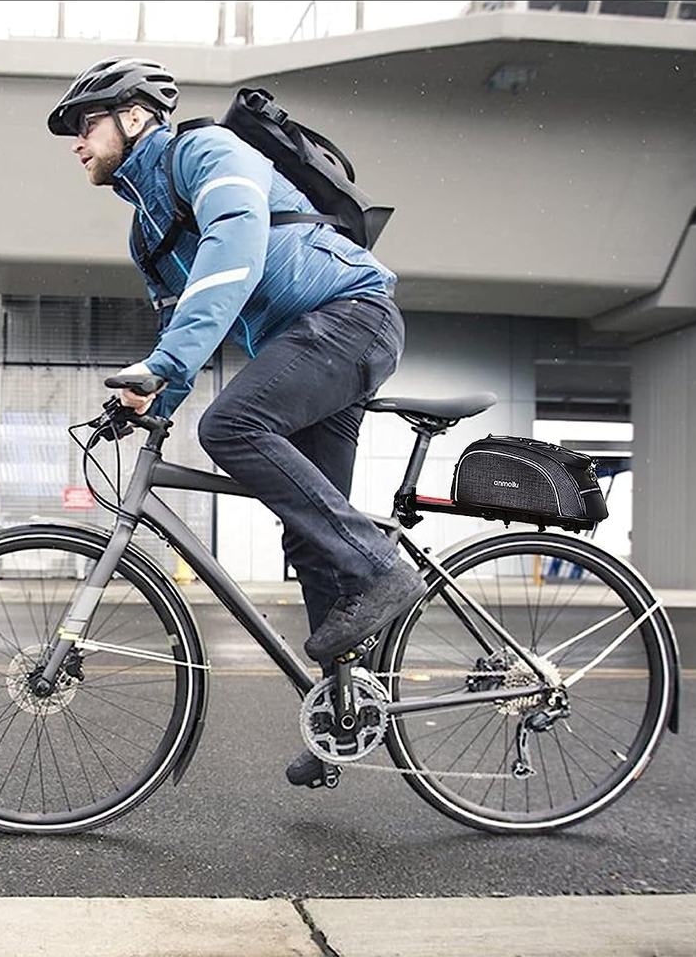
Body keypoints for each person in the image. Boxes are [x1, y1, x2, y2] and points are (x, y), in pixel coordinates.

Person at [48, 58, 426, 787]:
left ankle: (385, 569)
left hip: (351, 317)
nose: (76, 143)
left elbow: (235, 248)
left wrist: (165, 364)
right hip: (306, 342)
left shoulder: (207, 151)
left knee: (230, 428)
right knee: (313, 540)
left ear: (135, 116)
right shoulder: (147, 232)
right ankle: (344, 716)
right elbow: (180, 327)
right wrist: (151, 401)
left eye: (85, 124)